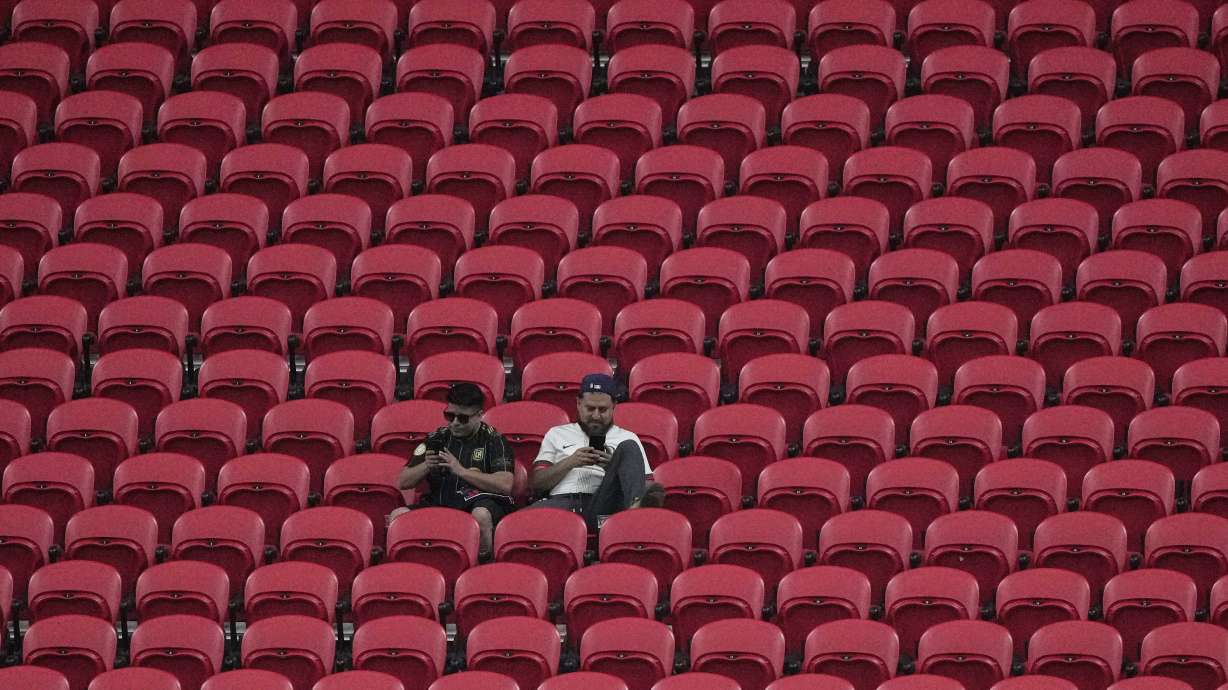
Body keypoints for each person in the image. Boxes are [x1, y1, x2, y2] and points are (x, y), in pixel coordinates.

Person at [529, 373, 665, 529]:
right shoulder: (556, 433)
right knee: (520, 523)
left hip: (604, 506)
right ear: (579, 403)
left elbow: (647, 485)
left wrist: (614, 467)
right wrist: (571, 462)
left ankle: (636, 513)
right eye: (590, 408)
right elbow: (537, 483)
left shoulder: (627, 436)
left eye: (602, 410)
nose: (596, 416)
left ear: (614, 406)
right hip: (562, 504)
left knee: (628, 446)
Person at [394, 382, 514, 557]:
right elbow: (403, 482)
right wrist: (426, 465)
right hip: (440, 502)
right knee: (398, 515)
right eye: (450, 415)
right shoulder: (436, 438)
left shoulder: (494, 440)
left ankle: (483, 565)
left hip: (477, 504)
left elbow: (505, 484)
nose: (455, 423)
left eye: (463, 418)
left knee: (480, 515)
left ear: (479, 415)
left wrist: (461, 470)